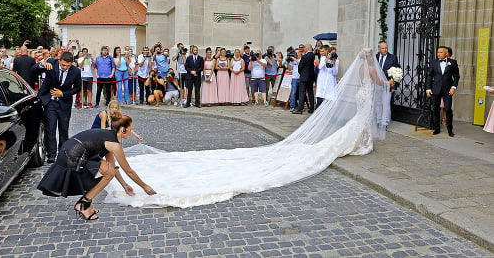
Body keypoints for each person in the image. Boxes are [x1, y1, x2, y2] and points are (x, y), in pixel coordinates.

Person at [103, 48, 389, 208]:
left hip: (363, 96)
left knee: (359, 121)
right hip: (368, 95)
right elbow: (377, 82)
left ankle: (359, 139)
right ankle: (360, 141)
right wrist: (390, 80)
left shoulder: (361, 67)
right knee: (360, 121)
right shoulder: (371, 69)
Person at [37, 115, 156, 220]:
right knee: (107, 171)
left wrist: (124, 185)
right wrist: (145, 186)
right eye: (130, 128)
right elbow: (128, 171)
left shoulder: (108, 135)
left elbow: (113, 166)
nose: (131, 131)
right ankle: (84, 204)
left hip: (68, 153)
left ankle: (86, 203)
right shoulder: (114, 144)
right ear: (123, 129)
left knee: (108, 170)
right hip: (71, 158)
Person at [32, 51, 82, 163]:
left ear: (72, 63)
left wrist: (63, 94)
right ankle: (51, 154)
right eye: (63, 65)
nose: (65, 68)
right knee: (51, 128)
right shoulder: (51, 62)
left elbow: (77, 88)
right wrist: (41, 64)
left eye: (68, 66)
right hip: (50, 102)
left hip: (64, 103)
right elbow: (33, 70)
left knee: (64, 129)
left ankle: (63, 153)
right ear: (60, 60)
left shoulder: (76, 71)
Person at [425, 46, 460, 137]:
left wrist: (453, 87)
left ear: (446, 53)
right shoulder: (433, 63)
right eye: (438, 52)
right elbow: (429, 76)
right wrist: (428, 88)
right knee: (436, 109)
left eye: (441, 52)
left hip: (447, 89)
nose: (438, 54)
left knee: (448, 109)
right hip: (435, 89)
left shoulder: (453, 62)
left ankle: (450, 129)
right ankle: (437, 128)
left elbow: (456, 76)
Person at [292, 44, 316, 114]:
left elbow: (300, 66)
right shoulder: (314, 56)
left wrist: (301, 72)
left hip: (304, 76)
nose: (304, 49)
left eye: (305, 47)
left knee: (302, 92)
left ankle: (300, 109)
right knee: (310, 92)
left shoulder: (305, 56)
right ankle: (311, 108)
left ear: (308, 48)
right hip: (311, 77)